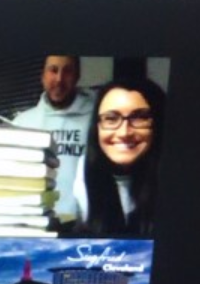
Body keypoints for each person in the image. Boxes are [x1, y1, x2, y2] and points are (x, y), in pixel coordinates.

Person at [73, 77, 166, 235]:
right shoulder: (85, 172)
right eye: (111, 118)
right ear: (97, 127)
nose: (124, 132)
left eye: (139, 117)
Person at [13, 56, 95, 224]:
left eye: (67, 71)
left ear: (77, 76)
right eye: (53, 70)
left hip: (83, 227)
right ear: (42, 76)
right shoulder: (21, 123)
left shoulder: (96, 121)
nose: (59, 79)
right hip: (31, 225)